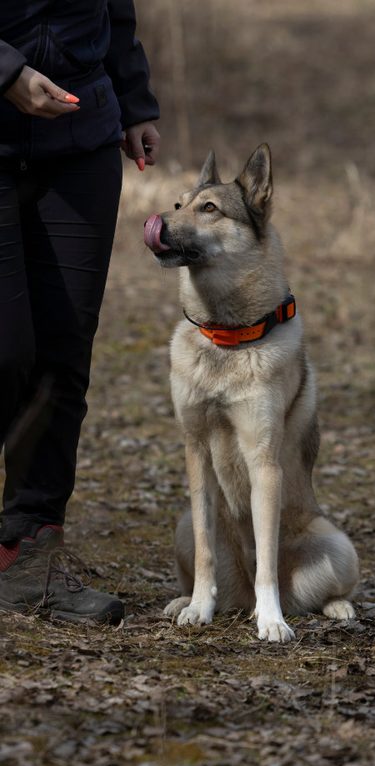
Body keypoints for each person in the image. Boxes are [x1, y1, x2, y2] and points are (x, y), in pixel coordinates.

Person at [0, 0, 161, 624]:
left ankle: (28, 560)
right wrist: (6, 71)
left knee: (63, 356)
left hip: (80, 137)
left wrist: (133, 97)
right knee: (4, 351)